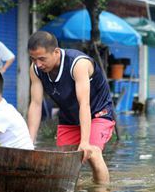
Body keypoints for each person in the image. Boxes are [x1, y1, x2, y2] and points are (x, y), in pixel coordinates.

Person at [27, 31, 115, 184]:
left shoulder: (78, 64)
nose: (38, 64)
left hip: (97, 113)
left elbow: (84, 104)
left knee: (92, 153)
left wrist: (85, 141)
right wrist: (28, 142)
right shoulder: (35, 70)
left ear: (55, 52)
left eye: (42, 59)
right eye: (33, 59)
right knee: (65, 162)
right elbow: (35, 104)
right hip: (69, 117)